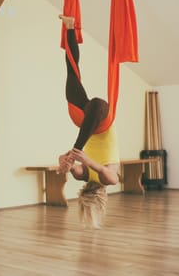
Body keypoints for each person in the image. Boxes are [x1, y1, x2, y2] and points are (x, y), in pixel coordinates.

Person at [58, 15, 120, 227]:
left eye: (87, 202)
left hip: (83, 121)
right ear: (101, 199)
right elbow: (105, 171)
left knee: (72, 74)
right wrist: (79, 155)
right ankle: (77, 145)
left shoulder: (83, 177)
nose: (90, 199)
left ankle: (69, 27)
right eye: (93, 203)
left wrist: (64, 163)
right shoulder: (107, 181)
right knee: (98, 104)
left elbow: (70, 166)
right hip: (102, 121)